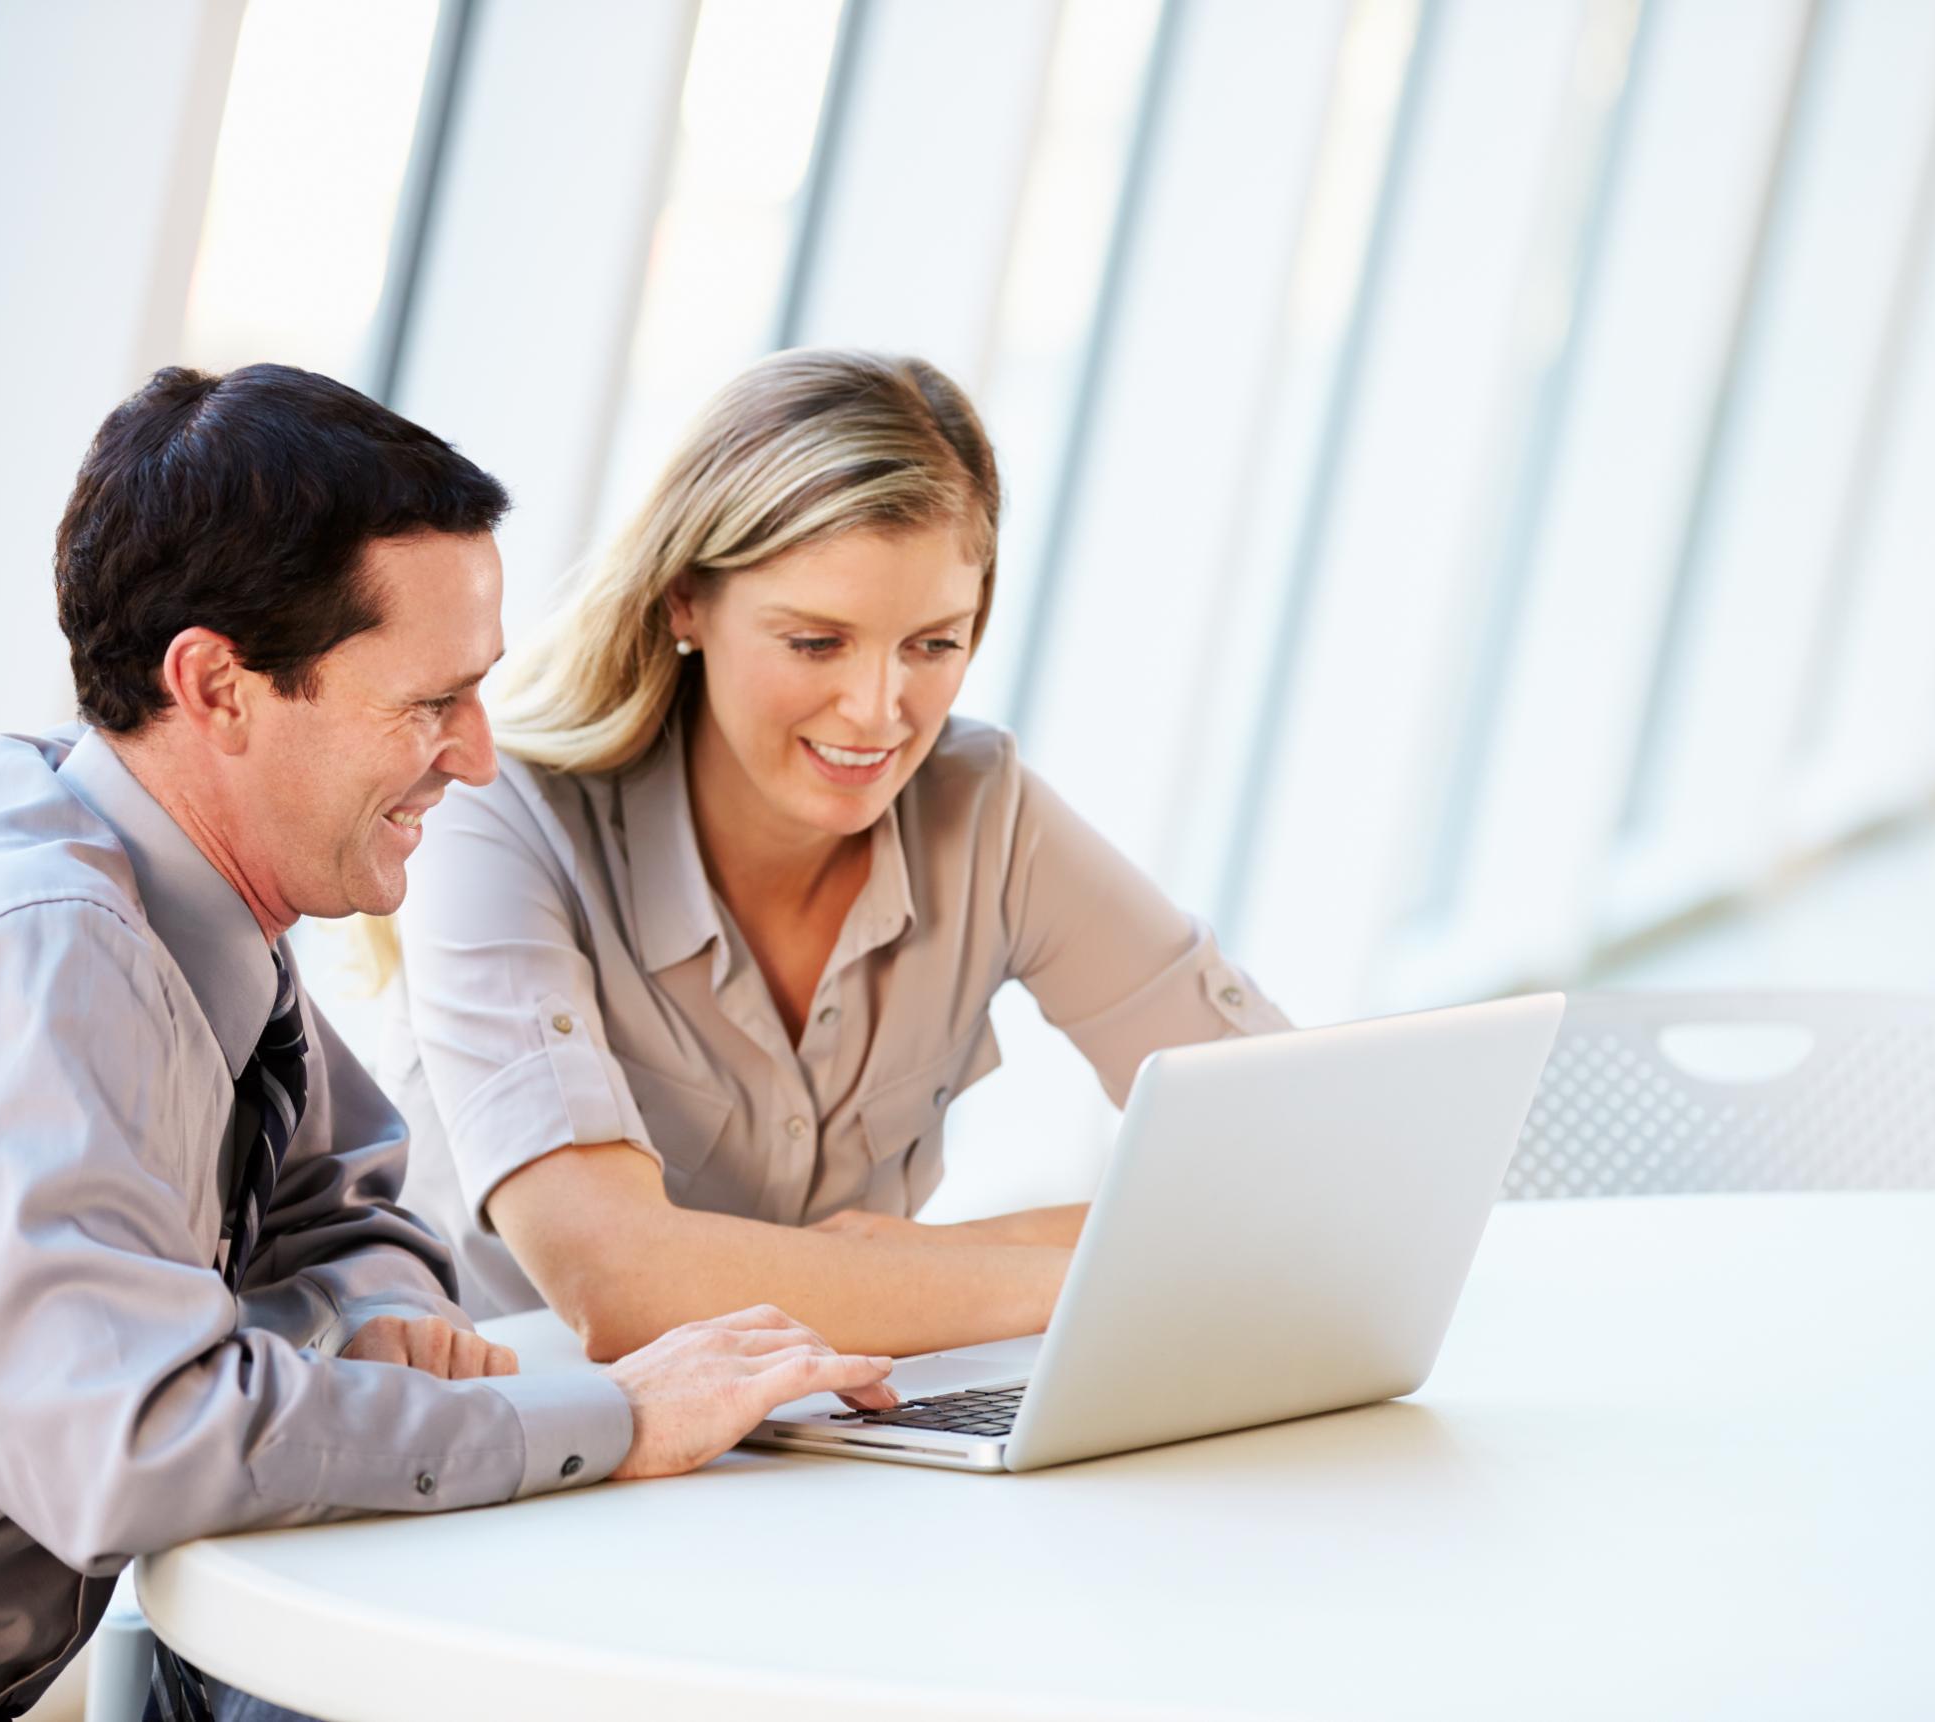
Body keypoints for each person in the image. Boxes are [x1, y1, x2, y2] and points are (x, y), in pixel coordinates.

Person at [0, 365, 894, 1721]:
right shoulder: (50, 951)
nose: (473, 756)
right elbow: (135, 1439)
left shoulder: (162, 876)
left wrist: (377, 1313)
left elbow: (344, 1197)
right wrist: (613, 1421)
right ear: (218, 685)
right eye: (427, 702)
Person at [384, 349, 1290, 1362]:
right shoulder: (499, 817)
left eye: (933, 645)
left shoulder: (983, 812)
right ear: (686, 599)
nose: (877, 711)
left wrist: (932, 1263)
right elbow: (618, 1280)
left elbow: (1288, 1150)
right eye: (816, 643)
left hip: (833, 1448)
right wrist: (1080, 1273)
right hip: (521, 1458)